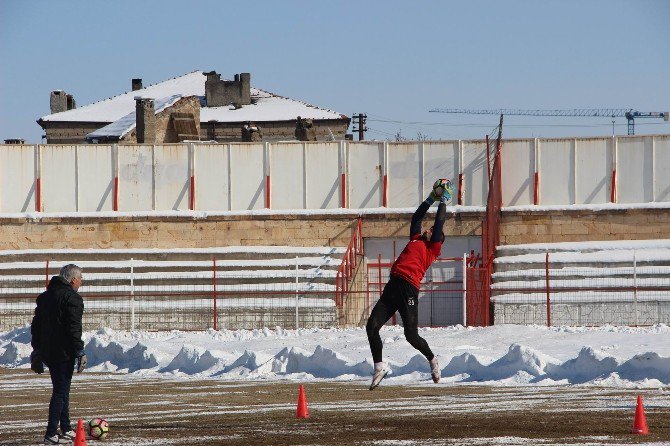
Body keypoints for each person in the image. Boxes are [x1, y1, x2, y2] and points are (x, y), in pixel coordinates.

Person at [366, 180, 453, 390]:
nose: (429, 229)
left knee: (411, 335)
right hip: (393, 285)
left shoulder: (433, 248)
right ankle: (379, 366)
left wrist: (444, 202)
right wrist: (430, 199)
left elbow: (440, 224)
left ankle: (433, 360)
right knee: (371, 327)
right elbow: (417, 217)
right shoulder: (416, 238)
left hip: (408, 289)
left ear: (438, 240)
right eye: (429, 228)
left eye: (433, 230)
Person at [30, 264, 87, 445]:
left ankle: (66, 427)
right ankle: (51, 433)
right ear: (72, 280)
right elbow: (73, 328)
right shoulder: (73, 298)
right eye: (80, 279)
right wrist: (79, 350)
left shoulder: (45, 297)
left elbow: (36, 326)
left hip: (48, 351)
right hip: (64, 352)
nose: (81, 282)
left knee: (62, 389)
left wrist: (37, 350)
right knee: (60, 391)